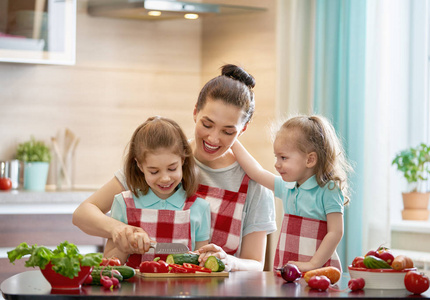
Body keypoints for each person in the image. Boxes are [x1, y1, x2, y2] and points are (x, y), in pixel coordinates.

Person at [72, 64, 277, 271]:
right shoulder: (162, 160)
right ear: (196, 111)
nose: (213, 138)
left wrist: (230, 262)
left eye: (228, 131)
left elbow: (256, 264)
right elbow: (83, 213)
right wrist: (119, 229)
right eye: (207, 124)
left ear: (243, 129)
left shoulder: (254, 186)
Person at [231, 114, 353, 272]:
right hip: (289, 266)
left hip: (318, 270)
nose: (277, 164)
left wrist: (313, 264)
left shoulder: (329, 190)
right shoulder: (287, 187)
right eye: (277, 157)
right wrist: (231, 139)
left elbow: (336, 232)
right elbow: (256, 172)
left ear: (310, 160)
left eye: (283, 158)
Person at [103, 116, 211, 268]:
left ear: (183, 160)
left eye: (172, 168)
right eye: (154, 171)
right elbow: (107, 265)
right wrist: (125, 246)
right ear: (140, 166)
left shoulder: (199, 207)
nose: (165, 178)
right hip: (135, 291)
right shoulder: (124, 204)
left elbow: (201, 266)